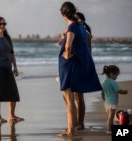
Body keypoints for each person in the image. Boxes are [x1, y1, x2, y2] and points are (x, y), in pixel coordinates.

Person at [58, 2, 102, 136]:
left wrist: (66, 55)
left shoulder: (73, 27)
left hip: (70, 65)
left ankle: (71, 129)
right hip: (79, 64)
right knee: (73, 97)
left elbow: (68, 45)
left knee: (69, 98)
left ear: (63, 14)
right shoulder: (80, 27)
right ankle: (74, 125)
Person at [0, 16, 24, 123]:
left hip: (8, 68)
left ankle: (11, 115)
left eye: (4, 24)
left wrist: (15, 67)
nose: (2, 26)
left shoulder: (7, 37)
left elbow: (12, 53)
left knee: (13, 93)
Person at [101, 65, 128, 134]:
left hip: (106, 103)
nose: (116, 77)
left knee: (110, 117)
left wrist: (105, 100)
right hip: (112, 103)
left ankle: (110, 128)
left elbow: (102, 93)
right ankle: (109, 130)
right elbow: (118, 90)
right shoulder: (113, 82)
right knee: (111, 117)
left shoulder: (104, 82)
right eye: (116, 75)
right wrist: (124, 92)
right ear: (112, 74)